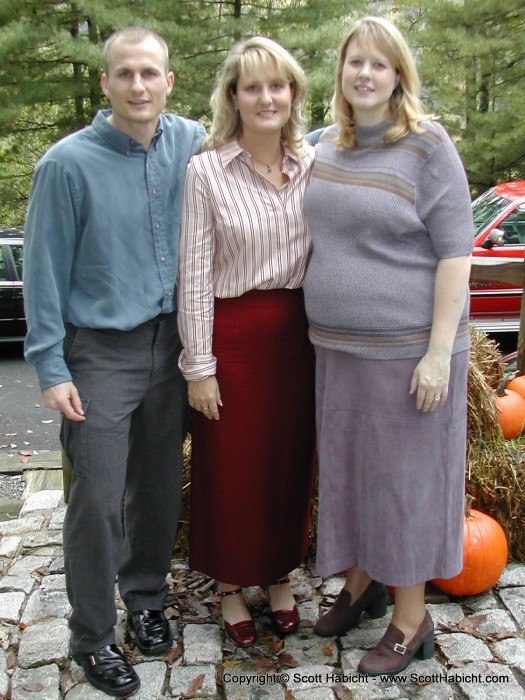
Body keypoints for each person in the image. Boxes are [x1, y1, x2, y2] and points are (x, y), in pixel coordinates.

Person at [23, 26, 206, 697]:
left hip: (173, 345)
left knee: (157, 488)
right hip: (99, 353)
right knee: (96, 501)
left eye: (149, 73)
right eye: (124, 73)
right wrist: (51, 368)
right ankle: (93, 637)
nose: (138, 85)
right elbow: (43, 271)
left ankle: (149, 602)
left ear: (168, 81)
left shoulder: (193, 144)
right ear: (105, 83)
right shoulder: (65, 165)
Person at [303, 16, 473, 676]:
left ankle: (410, 619)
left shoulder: (427, 147)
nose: (365, 74)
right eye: (354, 62)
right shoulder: (325, 146)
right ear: (340, 73)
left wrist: (436, 353)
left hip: (407, 355)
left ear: (398, 74)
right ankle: (362, 582)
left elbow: (455, 253)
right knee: (351, 473)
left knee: (401, 483)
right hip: (338, 351)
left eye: (379, 63)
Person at [177, 36, 316, 648]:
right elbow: (195, 275)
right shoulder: (206, 170)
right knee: (231, 470)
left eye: (278, 85)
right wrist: (199, 366)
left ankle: (279, 574)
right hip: (232, 340)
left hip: (301, 340)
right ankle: (233, 584)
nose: (267, 97)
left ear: (293, 94)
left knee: (288, 462)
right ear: (233, 96)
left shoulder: (315, 163)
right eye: (252, 86)